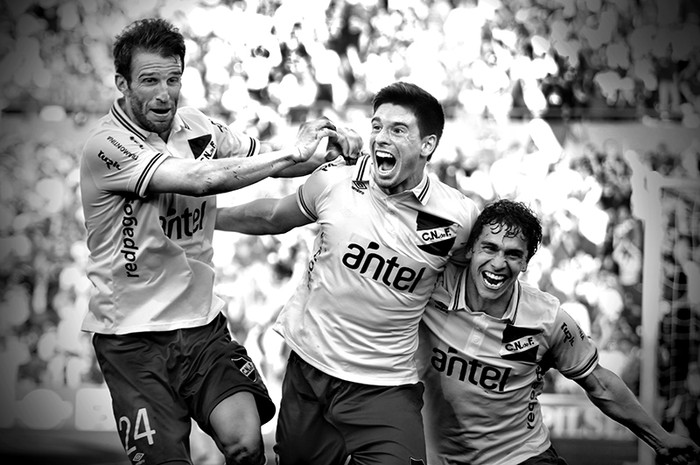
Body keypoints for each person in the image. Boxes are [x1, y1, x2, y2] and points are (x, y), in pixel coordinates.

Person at [79, 18, 360, 465]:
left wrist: (328, 156)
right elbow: (199, 180)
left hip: (200, 328)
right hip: (132, 340)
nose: (164, 93)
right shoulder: (106, 145)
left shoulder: (197, 126)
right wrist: (292, 153)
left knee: (246, 445)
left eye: (173, 79)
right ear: (122, 82)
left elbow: (266, 159)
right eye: (149, 81)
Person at [216, 81, 481, 465]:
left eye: (397, 129)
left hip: (385, 387)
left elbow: (471, 285)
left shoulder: (458, 218)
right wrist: (208, 219)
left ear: (428, 145)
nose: (380, 138)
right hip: (311, 372)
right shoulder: (336, 181)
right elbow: (272, 217)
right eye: (376, 127)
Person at [417, 199, 700, 465]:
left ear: (526, 263)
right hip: (436, 456)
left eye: (513, 254)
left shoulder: (547, 317)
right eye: (489, 248)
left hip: (520, 456)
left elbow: (600, 383)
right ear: (470, 249)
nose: (499, 263)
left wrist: (661, 440)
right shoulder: (429, 287)